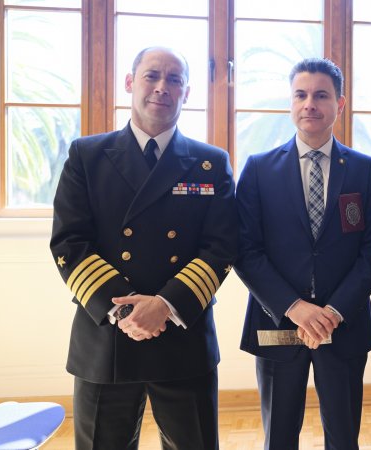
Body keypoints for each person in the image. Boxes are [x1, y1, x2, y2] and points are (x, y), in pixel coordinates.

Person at [50, 47, 237, 449]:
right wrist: (126, 311)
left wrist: (164, 305)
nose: (162, 87)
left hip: (182, 333)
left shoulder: (210, 162)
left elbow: (221, 246)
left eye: (174, 79)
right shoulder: (87, 155)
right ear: (130, 82)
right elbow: (70, 241)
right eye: (152, 76)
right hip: (107, 337)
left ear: (186, 93)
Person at [234, 58, 371, 450]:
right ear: (290, 102)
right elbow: (246, 251)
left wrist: (333, 311)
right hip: (278, 323)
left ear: (340, 104)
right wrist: (294, 307)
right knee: (279, 437)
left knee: (344, 437)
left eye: (321, 95)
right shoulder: (259, 169)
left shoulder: (365, 170)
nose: (309, 104)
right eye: (300, 95)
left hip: (343, 324)